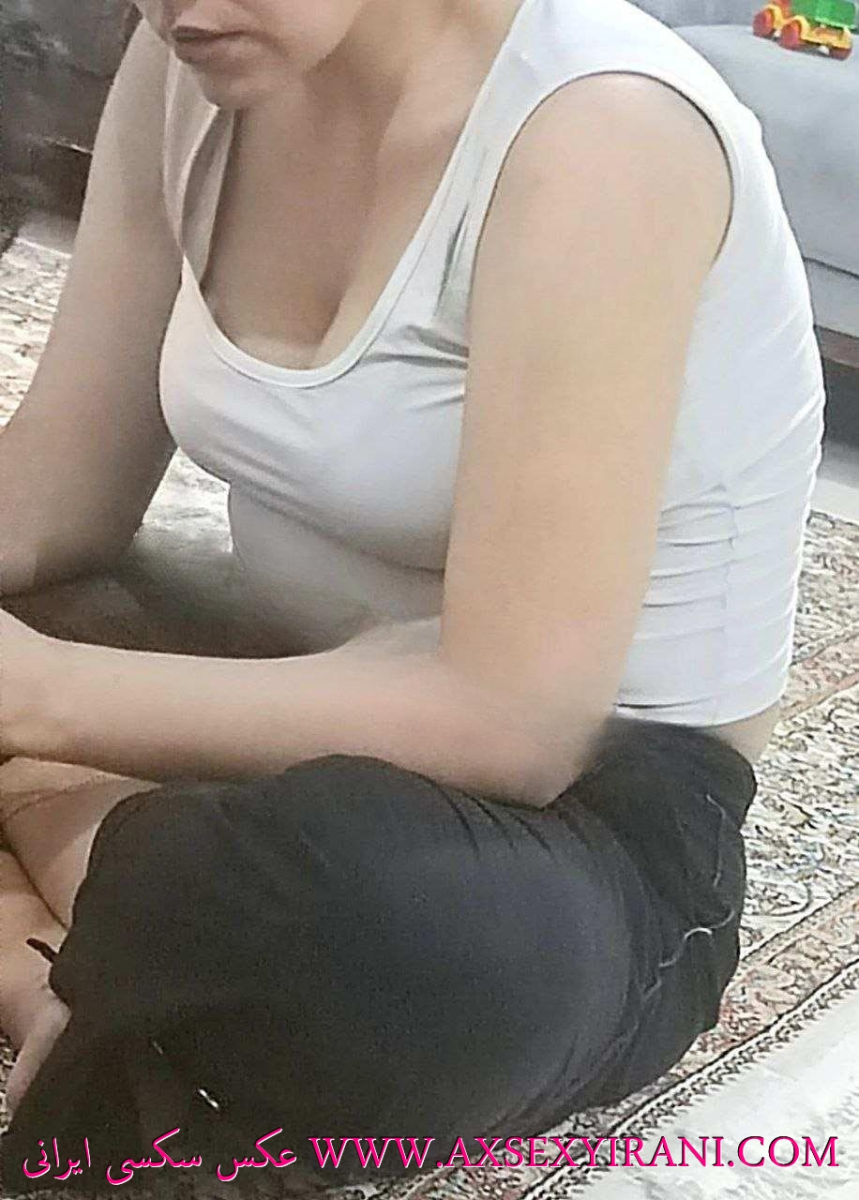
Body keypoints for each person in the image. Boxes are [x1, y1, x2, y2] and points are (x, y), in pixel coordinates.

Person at [0, 0, 824, 1189]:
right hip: (272, 690)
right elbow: (57, 492)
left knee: (383, 938)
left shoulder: (600, 131)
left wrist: (41, 698)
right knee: (204, 847)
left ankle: (90, 861)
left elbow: (515, 729)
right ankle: (60, 964)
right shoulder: (188, 62)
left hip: (569, 819)